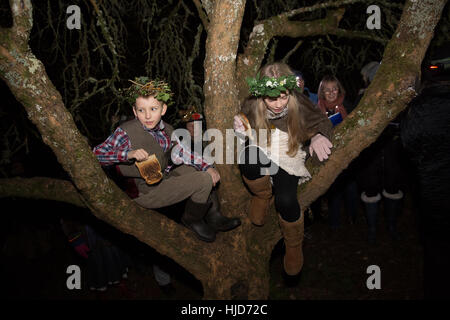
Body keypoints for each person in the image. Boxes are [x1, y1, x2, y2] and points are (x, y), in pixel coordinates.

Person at [93, 77, 240, 243]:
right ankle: (193, 219)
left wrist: (208, 167)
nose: (147, 115)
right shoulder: (125, 132)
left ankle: (213, 216)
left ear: (163, 109)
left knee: (200, 169)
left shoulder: (168, 130)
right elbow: (96, 155)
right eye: (141, 110)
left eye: (153, 109)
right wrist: (127, 155)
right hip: (145, 193)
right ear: (134, 111)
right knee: (203, 179)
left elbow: (183, 153)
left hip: (164, 180)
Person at [233, 62, 333, 276]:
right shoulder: (252, 103)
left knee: (286, 200)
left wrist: (317, 136)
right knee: (247, 158)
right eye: (271, 98)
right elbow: (244, 126)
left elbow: (322, 122)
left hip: (288, 153)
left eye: (283, 96)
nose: (278, 103)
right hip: (262, 147)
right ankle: (262, 194)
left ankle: (294, 245)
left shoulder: (299, 101)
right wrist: (240, 127)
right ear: (261, 95)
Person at [401, 48, 450, 299]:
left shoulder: (421, 105)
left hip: (434, 194)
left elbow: (408, 143)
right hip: (434, 188)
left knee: (436, 252)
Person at [356, 62, 405, 244]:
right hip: (370, 157)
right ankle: (372, 229)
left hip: (392, 153)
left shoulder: (398, 98)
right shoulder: (362, 99)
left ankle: (392, 226)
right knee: (370, 191)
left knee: (393, 188)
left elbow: (405, 123)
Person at [177, 106, 241, 232]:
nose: (195, 128)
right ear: (186, 128)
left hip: (214, 176)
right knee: (202, 177)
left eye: (197, 125)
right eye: (191, 126)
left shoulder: (209, 138)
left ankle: (213, 218)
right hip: (191, 181)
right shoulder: (184, 143)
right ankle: (212, 217)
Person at [316, 75, 359, 229]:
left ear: (339, 89)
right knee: (333, 190)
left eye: (334, 89)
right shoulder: (317, 108)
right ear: (322, 92)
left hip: (347, 154)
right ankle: (334, 223)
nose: (332, 92)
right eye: (327, 90)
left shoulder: (347, 104)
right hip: (328, 155)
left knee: (351, 188)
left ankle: (353, 218)